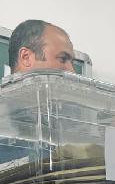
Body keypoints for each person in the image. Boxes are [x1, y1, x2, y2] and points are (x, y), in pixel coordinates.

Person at [2, 20, 75, 164]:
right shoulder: (5, 120)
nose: (72, 71)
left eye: (71, 62)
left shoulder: (66, 121)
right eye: (62, 59)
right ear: (26, 57)